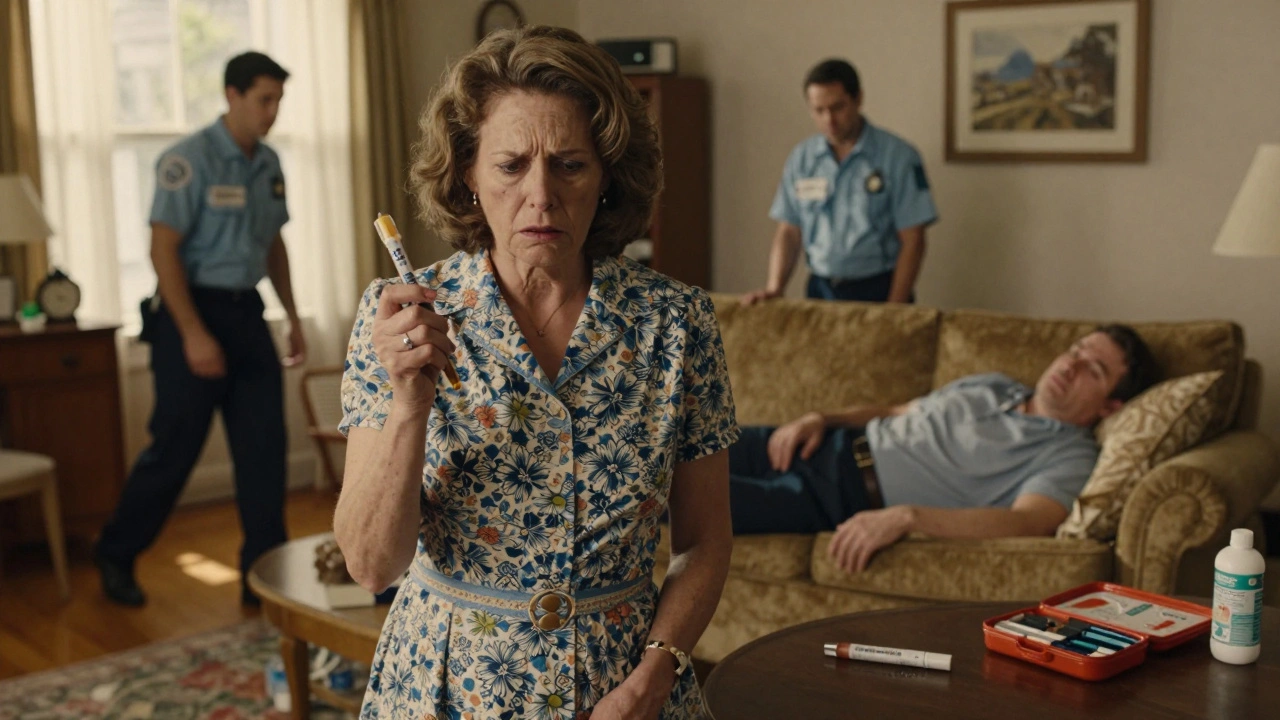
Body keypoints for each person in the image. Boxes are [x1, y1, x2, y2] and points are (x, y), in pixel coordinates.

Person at [333, 26, 737, 720]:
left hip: (625, 694)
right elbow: (372, 565)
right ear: (468, 173)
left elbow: (705, 541)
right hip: (448, 688)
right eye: (511, 165)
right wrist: (407, 408)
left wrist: (654, 678)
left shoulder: (678, 325)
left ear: (607, 175)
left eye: (570, 165)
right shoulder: (399, 318)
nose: (541, 195)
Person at [94, 51, 305, 608]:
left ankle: (262, 579)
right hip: (189, 314)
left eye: (279, 100)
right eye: (264, 99)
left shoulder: (269, 164)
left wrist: (294, 315)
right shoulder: (186, 161)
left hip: (247, 314)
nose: (273, 111)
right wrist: (192, 334)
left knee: (265, 450)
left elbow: (274, 245)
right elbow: (162, 250)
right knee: (174, 450)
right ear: (232, 96)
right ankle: (115, 553)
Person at [729, 325, 1158, 573]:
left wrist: (908, 517)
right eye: (1076, 350)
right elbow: (899, 411)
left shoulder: (1071, 454)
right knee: (675, 437)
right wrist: (821, 417)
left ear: (1110, 406)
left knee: (675, 490)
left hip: (839, 496)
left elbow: (1028, 522)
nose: (1070, 364)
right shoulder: (995, 384)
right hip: (820, 442)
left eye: (1093, 370)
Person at [743, 59, 938, 305]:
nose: (829, 120)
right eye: (819, 110)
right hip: (820, 289)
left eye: (837, 108)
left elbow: (913, 239)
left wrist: (894, 308)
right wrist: (775, 287)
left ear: (858, 100)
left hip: (879, 288)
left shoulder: (897, 157)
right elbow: (790, 230)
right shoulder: (803, 158)